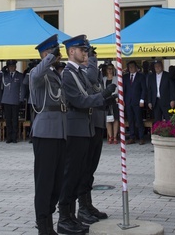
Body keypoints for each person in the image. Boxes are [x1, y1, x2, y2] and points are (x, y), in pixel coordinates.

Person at [57, 35, 116, 235]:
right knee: (71, 176)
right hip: (75, 131)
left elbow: (89, 95)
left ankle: (72, 216)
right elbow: (80, 101)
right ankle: (64, 217)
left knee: (79, 174)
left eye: (87, 51)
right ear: (71, 51)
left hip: (86, 129)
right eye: (83, 50)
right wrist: (103, 96)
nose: (87, 54)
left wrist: (105, 99)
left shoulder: (79, 73)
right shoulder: (68, 74)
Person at [29, 35, 67, 235]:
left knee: (57, 181)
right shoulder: (38, 72)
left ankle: (48, 215)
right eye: (53, 51)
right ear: (45, 54)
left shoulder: (54, 73)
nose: (58, 54)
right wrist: (49, 59)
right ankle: (43, 223)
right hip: (45, 132)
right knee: (45, 181)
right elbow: (35, 76)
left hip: (59, 132)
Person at [77, 45, 108, 226]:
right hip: (88, 126)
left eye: (93, 55)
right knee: (85, 168)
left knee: (91, 169)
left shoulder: (93, 74)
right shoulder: (82, 73)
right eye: (89, 54)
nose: (92, 58)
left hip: (98, 123)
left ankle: (88, 204)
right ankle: (82, 206)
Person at [0, 60, 24, 143]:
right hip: (6, 100)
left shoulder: (19, 75)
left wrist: (21, 99)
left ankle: (14, 137)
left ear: (15, 67)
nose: (11, 68)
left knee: (15, 120)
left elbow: (22, 88)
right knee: (8, 120)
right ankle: (9, 137)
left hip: (15, 100)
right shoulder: (5, 75)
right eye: (10, 66)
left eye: (13, 66)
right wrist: (1, 71)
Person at [123, 61, 146, 145]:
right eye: (129, 67)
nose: (131, 68)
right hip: (128, 101)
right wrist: (123, 101)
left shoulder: (141, 76)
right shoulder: (125, 77)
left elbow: (144, 89)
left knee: (139, 120)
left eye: (132, 66)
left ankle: (141, 137)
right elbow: (123, 90)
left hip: (137, 102)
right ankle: (132, 137)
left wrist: (142, 100)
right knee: (130, 120)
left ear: (136, 67)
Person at [103, 63, 119, 144]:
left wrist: (115, 96)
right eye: (108, 68)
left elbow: (118, 89)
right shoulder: (104, 79)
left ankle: (115, 137)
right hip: (106, 101)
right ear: (106, 70)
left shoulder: (116, 78)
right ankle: (110, 136)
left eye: (111, 68)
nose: (109, 70)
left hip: (114, 100)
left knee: (115, 119)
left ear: (113, 70)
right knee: (108, 119)